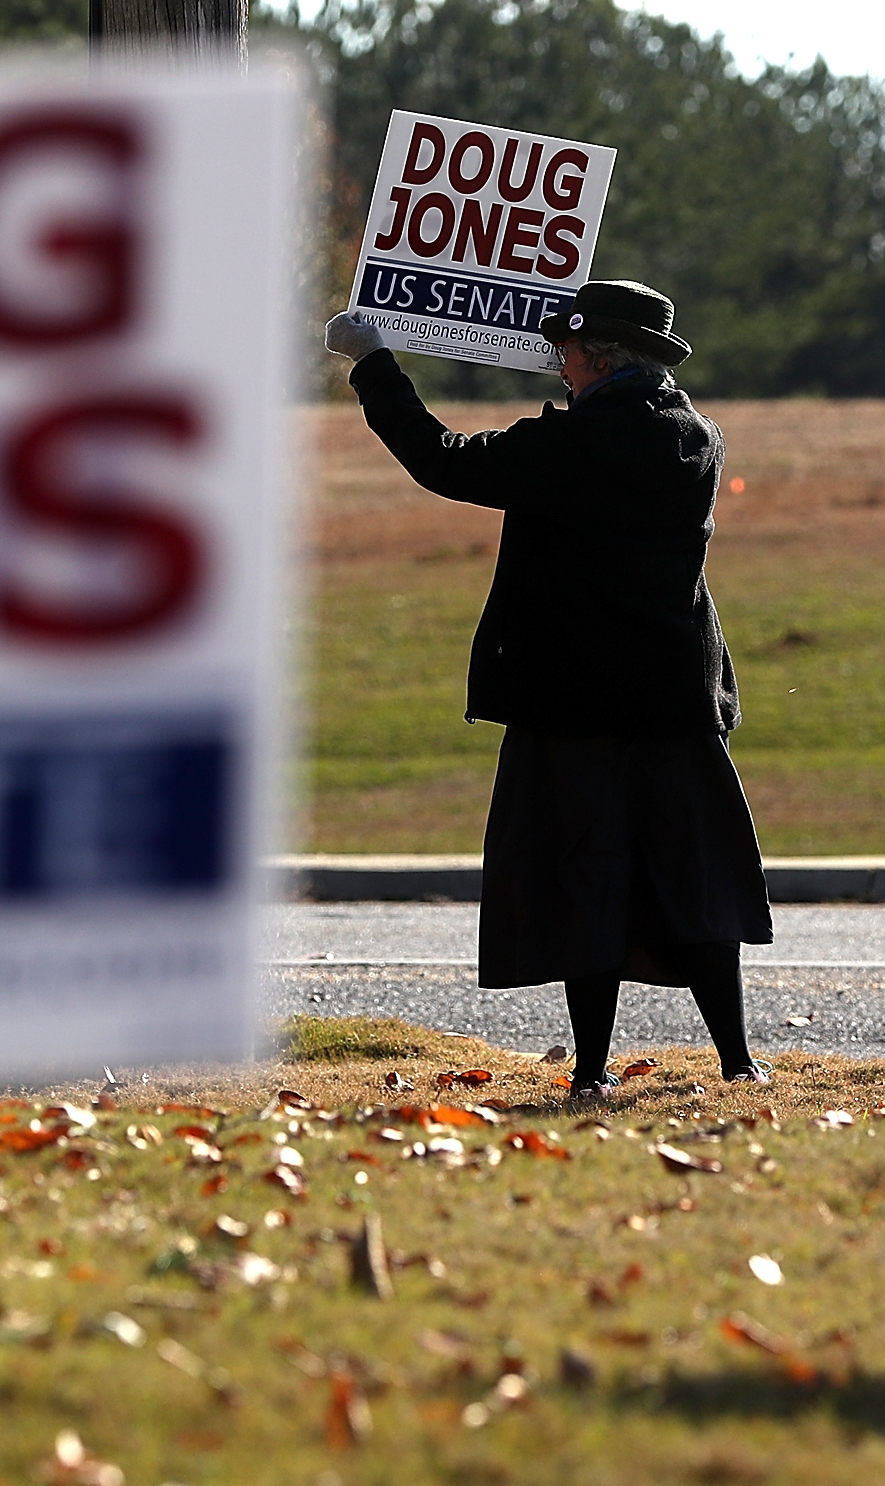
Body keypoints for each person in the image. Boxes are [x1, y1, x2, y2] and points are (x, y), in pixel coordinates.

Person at [324, 280, 773, 1101]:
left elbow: (438, 458)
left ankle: (594, 1071)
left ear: (597, 357)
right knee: (692, 879)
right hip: (677, 698)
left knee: (584, 884)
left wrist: (373, 364)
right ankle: (739, 1059)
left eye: (565, 351)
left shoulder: (570, 448)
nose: (557, 365)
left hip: (574, 704)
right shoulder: (698, 440)